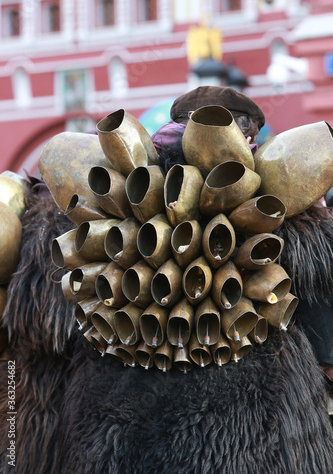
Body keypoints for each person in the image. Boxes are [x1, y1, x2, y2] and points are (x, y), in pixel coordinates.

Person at [0, 86, 333, 474]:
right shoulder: (288, 218)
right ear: (248, 138)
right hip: (244, 436)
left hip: (108, 431)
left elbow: (40, 336)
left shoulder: (86, 211)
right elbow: (325, 347)